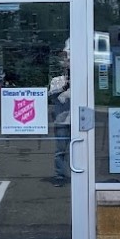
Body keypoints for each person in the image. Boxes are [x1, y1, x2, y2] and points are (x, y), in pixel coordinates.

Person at [48, 45, 71, 187]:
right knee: (60, 150)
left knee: (79, 149)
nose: (66, 62)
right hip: (62, 120)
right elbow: (52, 95)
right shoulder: (56, 80)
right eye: (64, 60)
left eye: (68, 60)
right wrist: (65, 86)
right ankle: (60, 175)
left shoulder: (80, 80)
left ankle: (79, 175)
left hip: (78, 120)